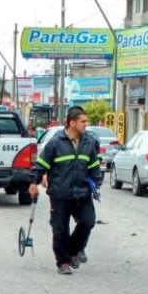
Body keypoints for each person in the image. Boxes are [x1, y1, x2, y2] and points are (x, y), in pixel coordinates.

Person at [28, 106, 103, 275]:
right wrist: (33, 182)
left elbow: (94, 167)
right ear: (72, 122)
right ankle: (63, 262)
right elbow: (41, 165)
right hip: (60, 194)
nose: (86, 124)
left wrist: (97, 182)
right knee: (60, 229)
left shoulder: (88, 143)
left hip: (82, 193)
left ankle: (72, 251)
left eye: (86, 121)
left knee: (87, 222)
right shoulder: (55, 143)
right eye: (83, 121)